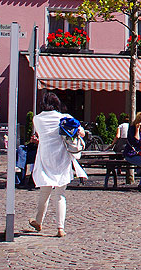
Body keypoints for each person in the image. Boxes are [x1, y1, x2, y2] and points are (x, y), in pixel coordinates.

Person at [28, 92, 86, 237]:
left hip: (45, 157)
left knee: (44, 193)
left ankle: (38, 221)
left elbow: (41, 136)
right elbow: (82, 133)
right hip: (62, 158)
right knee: (60, 194)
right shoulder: (65, 118)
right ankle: (60, 228)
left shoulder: (37, 119)